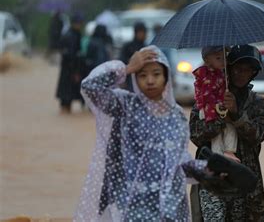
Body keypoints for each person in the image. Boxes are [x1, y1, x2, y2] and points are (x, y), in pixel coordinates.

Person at [75, 46, 211, 221]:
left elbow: (179, 163)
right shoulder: (125, 106)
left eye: (156, 74)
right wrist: (126, 68)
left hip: (171, 206)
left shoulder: (177, 116)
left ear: (166, 77)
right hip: (134, 204)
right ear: (135, 78)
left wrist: (211, 168)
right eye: (142, 75)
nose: (150, 80)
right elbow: (89, 87)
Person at [190, 44, 264, 221]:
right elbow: (196, 136)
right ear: (228, 67)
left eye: (247, 70)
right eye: (237, 69)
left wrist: (236, 114)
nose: (241, 74)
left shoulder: (258, 103)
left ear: (253, 73)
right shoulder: (205, 96)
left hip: (244, 178)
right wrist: (218, 115)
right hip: (211, 176)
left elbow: (258, 135)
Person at [193, 46, 240, 163]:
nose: (223, 61)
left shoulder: (223, 75)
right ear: (207, 60)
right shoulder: (205, 75)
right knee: (217, 135)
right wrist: (216, 106)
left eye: (225, 57)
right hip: (210, 109)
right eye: (218, 58)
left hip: (221, 108)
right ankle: (218, 157)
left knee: (230, 127)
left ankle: (229, 151)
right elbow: (206, 95)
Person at [55, 12, 85, 113]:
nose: (80, 25)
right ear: (74, 23)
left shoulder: (71, 34)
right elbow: (72, 54)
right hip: (70, 69)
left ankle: (65, 111)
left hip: (67, 68)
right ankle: (65, 111)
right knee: (67, 95)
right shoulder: (72, 36)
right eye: (78, 23)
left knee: (66, 96)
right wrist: (76, 71)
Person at [120, 21, 148, 91]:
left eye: (144, 32)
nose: (143, 35)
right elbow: (122, 61)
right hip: (130, 77)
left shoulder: (146, 47)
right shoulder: (128, 46)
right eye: (141, 32)